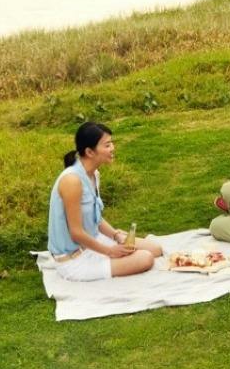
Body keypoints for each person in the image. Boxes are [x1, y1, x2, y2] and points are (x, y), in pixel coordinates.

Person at [47, 121, 166, 282]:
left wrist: (116, 236)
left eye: (111, 143)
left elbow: (96, 218)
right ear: (89, 151)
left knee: (155, 249)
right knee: (146, 258)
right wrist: (110, 251)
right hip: (74, 259)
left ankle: (113, 250)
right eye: (107, 145)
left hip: (94, 242)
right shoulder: (72, 181)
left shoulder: (93, 174)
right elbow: (76, 233)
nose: (113, 148)